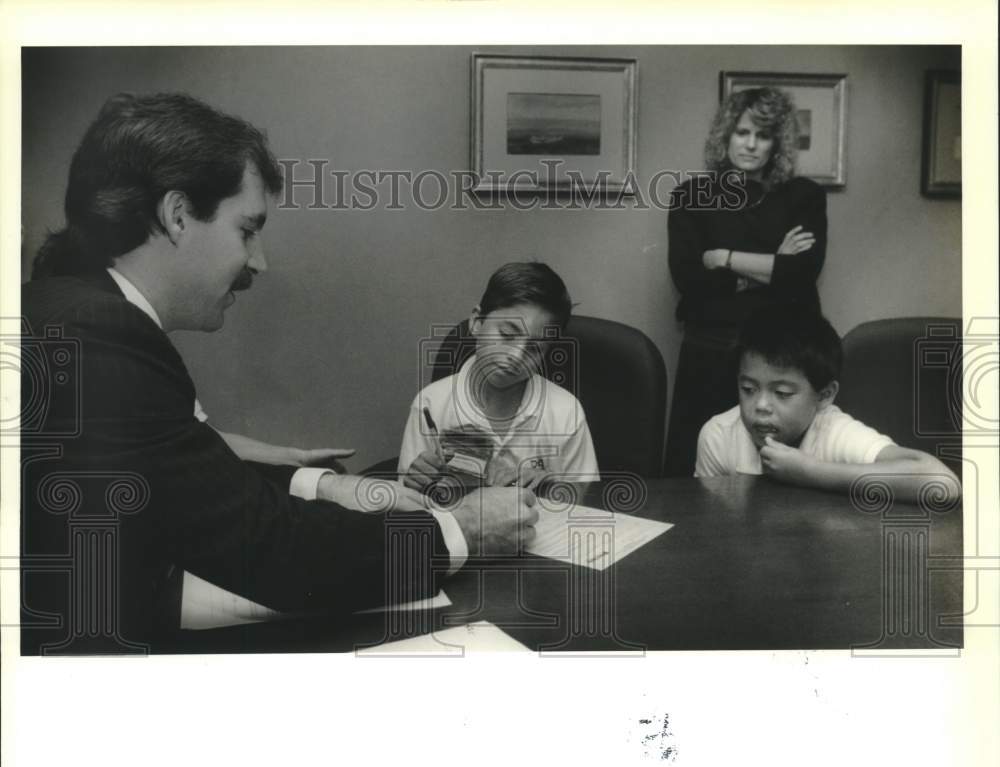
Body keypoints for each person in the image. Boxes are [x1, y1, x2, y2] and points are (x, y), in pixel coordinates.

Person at [20, 92, 537, 653]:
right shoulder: (101, 338)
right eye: (247, 230)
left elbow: (186, 480)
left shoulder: (72, 309)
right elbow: (276, 554)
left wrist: (329, 485)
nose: (259, 262)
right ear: (176, 216)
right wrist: (460, 529)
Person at [665, 86, 828, 476]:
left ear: (778, 143)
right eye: (742, 133)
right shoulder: (693, 195)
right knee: (696, 470)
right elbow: (691, 282)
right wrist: (775, 265)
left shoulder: (803, 196)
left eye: (764, 135)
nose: (751, 145)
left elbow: (804, 273)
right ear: (726, 136)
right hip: (711, 349)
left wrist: (725, 259)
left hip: (783, 351)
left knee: (786, 467)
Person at [695, 307, 961, 504]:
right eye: (748, 389)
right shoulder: (718, 435)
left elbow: (942, 483)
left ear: (824, 395)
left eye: (783, 393)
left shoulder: (832, 430)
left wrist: (809, 471)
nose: (761, 405)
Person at [399, 262, 600, 492]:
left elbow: (586, 504)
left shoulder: (566, 412)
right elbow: (408, 506)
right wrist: (418, 484)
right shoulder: (430, 404)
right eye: (507, 335)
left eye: (535, 348)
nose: (516, 356)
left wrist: (553, 491)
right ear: (476, 322)